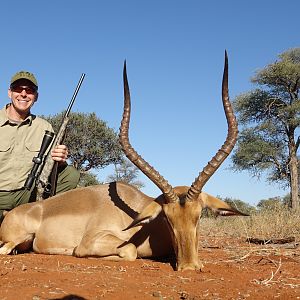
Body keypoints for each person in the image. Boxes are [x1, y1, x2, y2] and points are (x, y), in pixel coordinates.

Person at [0, 71, 80, 222]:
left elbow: (51, 165)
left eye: (29, 91)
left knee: (71, 175)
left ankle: (43, 218)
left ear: (35, 97)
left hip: (26, 194)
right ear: (10, 92)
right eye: (18, 89)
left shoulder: (45, 127)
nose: (23, 94)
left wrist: (60, 159)